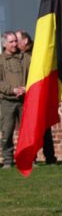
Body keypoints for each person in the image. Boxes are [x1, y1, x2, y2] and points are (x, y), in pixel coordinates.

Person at [15, 30, 57, 165]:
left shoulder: (37, 54)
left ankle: (50, 157)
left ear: (25, 41)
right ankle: (31, 158)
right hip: (25, 96)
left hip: (38, 96)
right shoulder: (19, 56)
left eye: (17, 40)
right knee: (29, 128)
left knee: (44, 128)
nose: (15, 44)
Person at [0, 32, 29, 169]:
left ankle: (28, 159)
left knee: (27, 131)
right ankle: (7, 160)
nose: (14, 44)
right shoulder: (0, 60)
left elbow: (34, 76)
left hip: (24, 100)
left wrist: (26, 87)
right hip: (7, 101)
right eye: (11, 42)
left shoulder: (25, 58)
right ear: (4, 44)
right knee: (7, 132)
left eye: (15, 41)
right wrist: (12, 90)